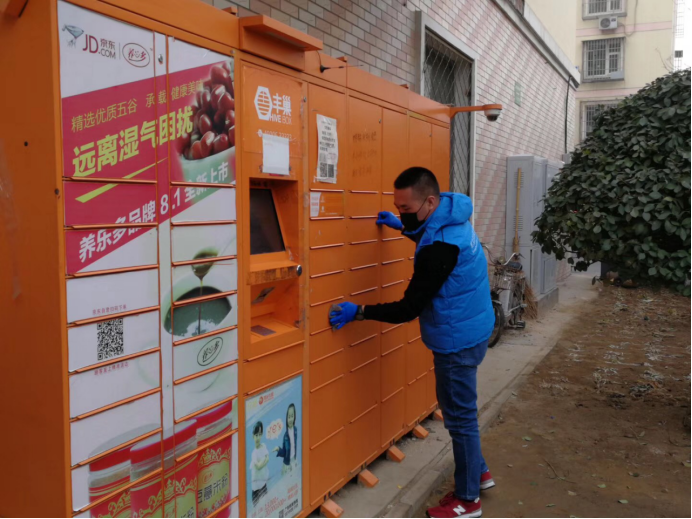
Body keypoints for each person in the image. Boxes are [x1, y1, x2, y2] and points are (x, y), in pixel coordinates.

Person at [329, 168, 496, 519]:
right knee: (460, 412)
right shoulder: (450, 214)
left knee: (460, 419)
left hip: (457, 341)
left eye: (406, 209)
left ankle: (468, 501)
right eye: (397, 207)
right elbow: (428, 233)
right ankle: (479, 472)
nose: (401, 212)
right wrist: (402, 227)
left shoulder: (440, 248)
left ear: (430, 201)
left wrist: (360, 312)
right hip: (475, 325)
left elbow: (408, 308)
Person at [273, 403, 298, 475]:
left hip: (294, 461)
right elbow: (284, 452)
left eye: (292, 416)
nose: (290, 419)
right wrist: (278, 449)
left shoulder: (295, 430)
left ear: (294, 417)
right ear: (286, 418)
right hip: (287, 465)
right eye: (289, 417)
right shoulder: (286, 436)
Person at [250, 421, 270, 507]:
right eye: (256, 435)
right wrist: (264, 459)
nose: (257, 437)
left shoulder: (263, 446)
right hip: (256, 490)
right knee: (257, 508)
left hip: (263, 484)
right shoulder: (254, 453)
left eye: (259, 435)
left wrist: (263, 461)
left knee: (266, 505)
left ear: (261, 435)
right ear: (253, 436)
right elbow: (258, 467)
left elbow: (268, 459)